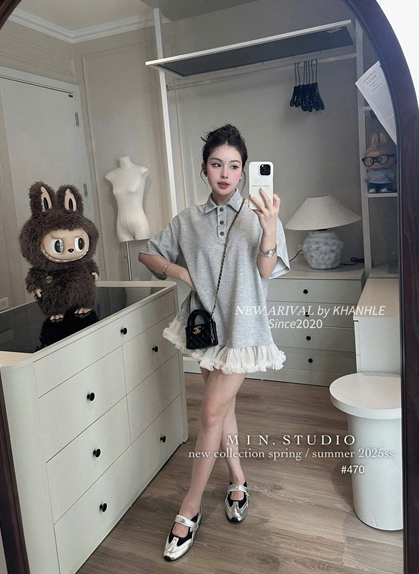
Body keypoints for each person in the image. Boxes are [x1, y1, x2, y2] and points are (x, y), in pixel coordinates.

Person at [138, 124, 290, 561]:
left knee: (208, 413)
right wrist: (180, 272)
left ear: (244, 171)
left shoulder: (261, 213)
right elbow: (148, 252)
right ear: (204, 169)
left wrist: (268, 228)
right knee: (222, 412)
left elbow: (266, 271)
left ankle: (189, 508)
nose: (225, 173)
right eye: (217, 164)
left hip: (243, 331)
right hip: (205, 329)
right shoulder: (188, 219)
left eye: (234, 166)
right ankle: (238, 480)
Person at [105, 156, 151, 241]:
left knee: (146, 248)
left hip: (139, 222)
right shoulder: (111, 175)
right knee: (123, 249)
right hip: (121, 223)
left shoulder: (141, 171)